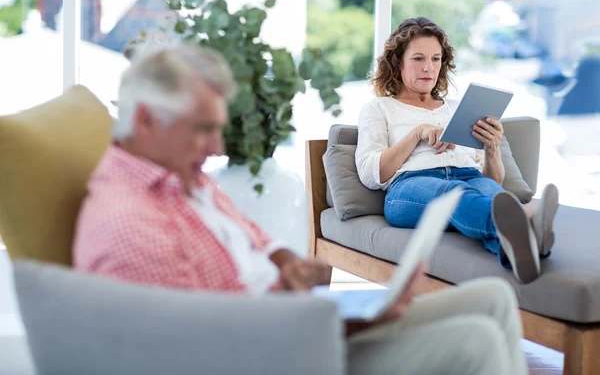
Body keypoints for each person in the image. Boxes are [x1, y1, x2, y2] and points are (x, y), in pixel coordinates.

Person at [74, 43, 529, 374]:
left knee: (494, 298)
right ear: (147, 122)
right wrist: (344, 322)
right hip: (285, 350)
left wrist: (289, 263)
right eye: (202, 130)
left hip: (294, 319)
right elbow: (216, 348)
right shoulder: (129, 226)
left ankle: (518, 229)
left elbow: (253, 239)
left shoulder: (182, 179)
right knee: (476, 340)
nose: (215, 148)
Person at [355, 17, 559, 284]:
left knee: (493, 196)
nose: (429, 67)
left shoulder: (456, 109)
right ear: (398, 62)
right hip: (409, 187)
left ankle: (517, 250)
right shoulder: (379, 108)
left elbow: (492, 182)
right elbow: (372, 174)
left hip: (470, 178)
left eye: (436, 59)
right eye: (418, 58)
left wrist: (491, 147)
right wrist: (417, 134)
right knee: (454, 194)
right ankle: (528, 224)